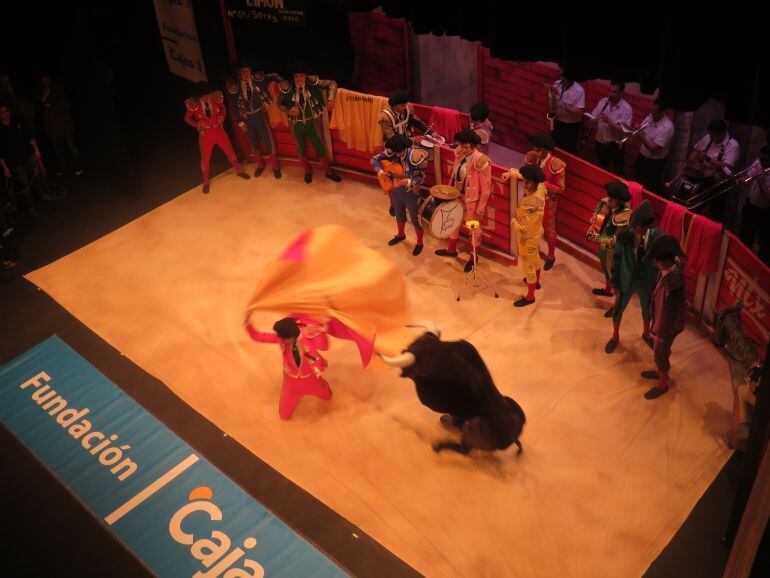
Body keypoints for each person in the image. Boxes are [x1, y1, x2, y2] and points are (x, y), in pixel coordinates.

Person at [244, 315, 332, 420]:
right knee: (284, 416)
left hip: (310, 380)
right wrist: (248, 323)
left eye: (282, 338)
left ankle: (322, 384)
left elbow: (321, 335)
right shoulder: (281, 338)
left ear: (290, 337)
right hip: (291, 384)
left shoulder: (306, 334)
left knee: (328, 395)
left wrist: (323, 325)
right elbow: (258, 337)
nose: (279, 339)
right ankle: (319, 386)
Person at [606, 200, 663, 353]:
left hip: (646, 281)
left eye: (644, 226)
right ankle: (615, 336)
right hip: (627, 281)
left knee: (647, 310)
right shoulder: (624, 236)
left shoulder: (656, 237)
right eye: (638, 226)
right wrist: (614, 284)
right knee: (618, 309)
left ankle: (646, 334)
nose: (641, 229)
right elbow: (616, 261)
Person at [435, 129, 492, 271]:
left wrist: (481, 208)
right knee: (454, 221)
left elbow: (486, 189)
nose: (464, 149)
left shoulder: (481, 160)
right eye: (462, 146)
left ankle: (473, 257)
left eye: (467, 147)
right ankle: (451, 249)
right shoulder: (460, 153)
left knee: (473, 228)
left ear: (474, 146)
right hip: (456, 195)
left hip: (471, 200)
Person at [640, 234, 686, 400]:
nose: (654, 263)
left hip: (668, 326)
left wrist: (662, 333)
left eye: (657, 260)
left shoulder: (674, 281)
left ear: (666, 261)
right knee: (659, 350)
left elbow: (671, 312)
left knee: (661, 351)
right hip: (662, 319)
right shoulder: (668, 271)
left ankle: (663, 383)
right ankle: (659, 372)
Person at [278, 62, 341, 184]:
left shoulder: (312, 83)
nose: (299, 78)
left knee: (320, 147)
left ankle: (328, 172)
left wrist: (331, 98)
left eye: (301, 76)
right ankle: (307, 171)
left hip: (312, 122)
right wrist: (289, 110)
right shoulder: (287, 87)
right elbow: (280, 104)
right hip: (296, 124)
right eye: (296, 76)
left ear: (306, 76)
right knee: (300, 148)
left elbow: (332, 83)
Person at [184, 83, 250, 194]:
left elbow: (223, 108)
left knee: (230, 152)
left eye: (206, 94)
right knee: (205, 159)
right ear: (198, 97)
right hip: (205, 135)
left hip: (219, 131)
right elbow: (186, 118)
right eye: (202, 96)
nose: (205, 97)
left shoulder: (215, 98)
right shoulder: (194, 104)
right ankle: (206, 182)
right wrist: (197, 125)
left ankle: (239, 171)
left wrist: (222, 117)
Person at [371, 134, 430, 256]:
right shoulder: (393, 150)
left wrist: (409, 181)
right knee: (399, 212)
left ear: (404, 148)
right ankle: (401, 235)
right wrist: (381, 172)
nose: (397, 155)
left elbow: (422, 177)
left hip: (411, 191)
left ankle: (419, 243)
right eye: (396, 153)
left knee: (415, 218)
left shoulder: (415, 156)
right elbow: (374, 159)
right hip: (396, 189)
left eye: (399, 153)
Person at [0, 102, 58, 215]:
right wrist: (5, 168)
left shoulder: (17, 120)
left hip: (28, 156)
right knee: (25, 185)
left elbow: (29, 136)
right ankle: (31, 206)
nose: (5, 114)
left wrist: (36, 150)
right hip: (15, 163)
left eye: (6, 111)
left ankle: (43, 195)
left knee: (37, 177)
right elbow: (0, 152)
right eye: (2, 113)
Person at [503, 164, 547, 307]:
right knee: (536, 258)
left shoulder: (531, 203)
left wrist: (514, 221)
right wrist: (512, 172)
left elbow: (524, 229)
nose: (524, 184)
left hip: (527, 238)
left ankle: (530, 296)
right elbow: (525, 176)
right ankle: (537, 282)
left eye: (527, 182)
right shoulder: (540, 187)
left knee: (528, 267)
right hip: (536, 233)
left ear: (534, 182)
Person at [523, 132, 566, 270]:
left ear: (546, 149)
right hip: (530, 198)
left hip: (547, 202)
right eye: (534, 149)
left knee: (548, 230)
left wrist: (543, 184)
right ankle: (534, 251)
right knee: (531, 227)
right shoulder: (531, 157)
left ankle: (551, 256)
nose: (535, 153)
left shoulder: (556, 163)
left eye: (538, 150)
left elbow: (560, 188)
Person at [233, 62, 282, 179]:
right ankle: (260, 165)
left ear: (251, 71)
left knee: (268, 142)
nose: (246, 74)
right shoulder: (236, 87)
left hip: (260, 116)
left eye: (248, 71)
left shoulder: (258, 80)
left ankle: (275, 167)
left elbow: (274, 76)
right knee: (253, 143)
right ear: (239, 74)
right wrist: (239, 121)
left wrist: (282, 82)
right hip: (247, 119)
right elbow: (233, 105)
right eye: (243, 71)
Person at [588, 181, 632, 303]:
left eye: (611, 199)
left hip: (614, 250)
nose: (608, 201)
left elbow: (616, 240)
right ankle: (608, 291)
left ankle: (617, 306)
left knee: (615, 277)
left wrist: (597, 238)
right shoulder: (608, 202)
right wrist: (594, 216)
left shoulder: (625, 216)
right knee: (606, 270)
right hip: (603, 245)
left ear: (618, 201)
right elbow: (599, 208)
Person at [688, 119, 740, 223]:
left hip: (719, 182)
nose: (710, 138)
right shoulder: (708, 137)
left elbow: (727, 167)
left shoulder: (733, 145)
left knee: (716, 213)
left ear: (722, 134)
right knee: (694, 206)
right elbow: (695, 152)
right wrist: (692, 162)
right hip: (702, 177)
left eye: (713, 136)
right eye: (710, 135)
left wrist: (707, 159)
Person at [35, 74, 83, 176]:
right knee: (58, 149)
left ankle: (78, 165)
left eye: (46, 78)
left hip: (63, 124)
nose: (45, 80)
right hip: (51, 127)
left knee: (71, 145)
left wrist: (52, 105)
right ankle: (63, 167)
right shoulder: (40, 91)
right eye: (43, 79)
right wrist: (44, 97)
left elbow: (66, 103)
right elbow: (39, 108)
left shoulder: (57, 88)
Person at [588, 81, 633, 175]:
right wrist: (592, 120)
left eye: (614, 92)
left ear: (621, 93)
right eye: (610, 91)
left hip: (615, 144)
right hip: (600, 140)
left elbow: (625, 131)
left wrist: (609, 122)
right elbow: (594, 116)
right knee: (602, 168)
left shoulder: (626, 109)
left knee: (617, 171)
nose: (610, 94)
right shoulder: (603, 101)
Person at [633, 98, 674, 194]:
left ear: (663, 112)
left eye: (655, 113)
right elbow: (642, 132)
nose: (652, 114)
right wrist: (637, 128)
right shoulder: (650, 117)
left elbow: (653, 149)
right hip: (642, 156)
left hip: (654, 163)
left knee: (649, 188)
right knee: (637, 183)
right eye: (651, 111)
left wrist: (641, 136)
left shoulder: (667, 127)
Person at [739, 145, 770, 264]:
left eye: (764, 160)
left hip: (766, 211)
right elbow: (749, 176)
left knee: (765, 242)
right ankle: (741, 261)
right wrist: (743, 180)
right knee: (745, 235)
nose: (760, 162)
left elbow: (768, 197)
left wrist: (761, 181)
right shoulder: (758, 162)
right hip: (751, 205)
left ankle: (762, 268)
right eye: (760, 159)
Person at [550, 72, 585, 154]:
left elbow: (579, 112)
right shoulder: (557, 84)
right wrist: (552, 97)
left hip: (570, 126)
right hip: (557, 121)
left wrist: (564, 106)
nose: (560, 76)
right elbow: (551, 106)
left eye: (563, 75)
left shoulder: (579, 90)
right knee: (554, 146)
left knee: (568, 149)